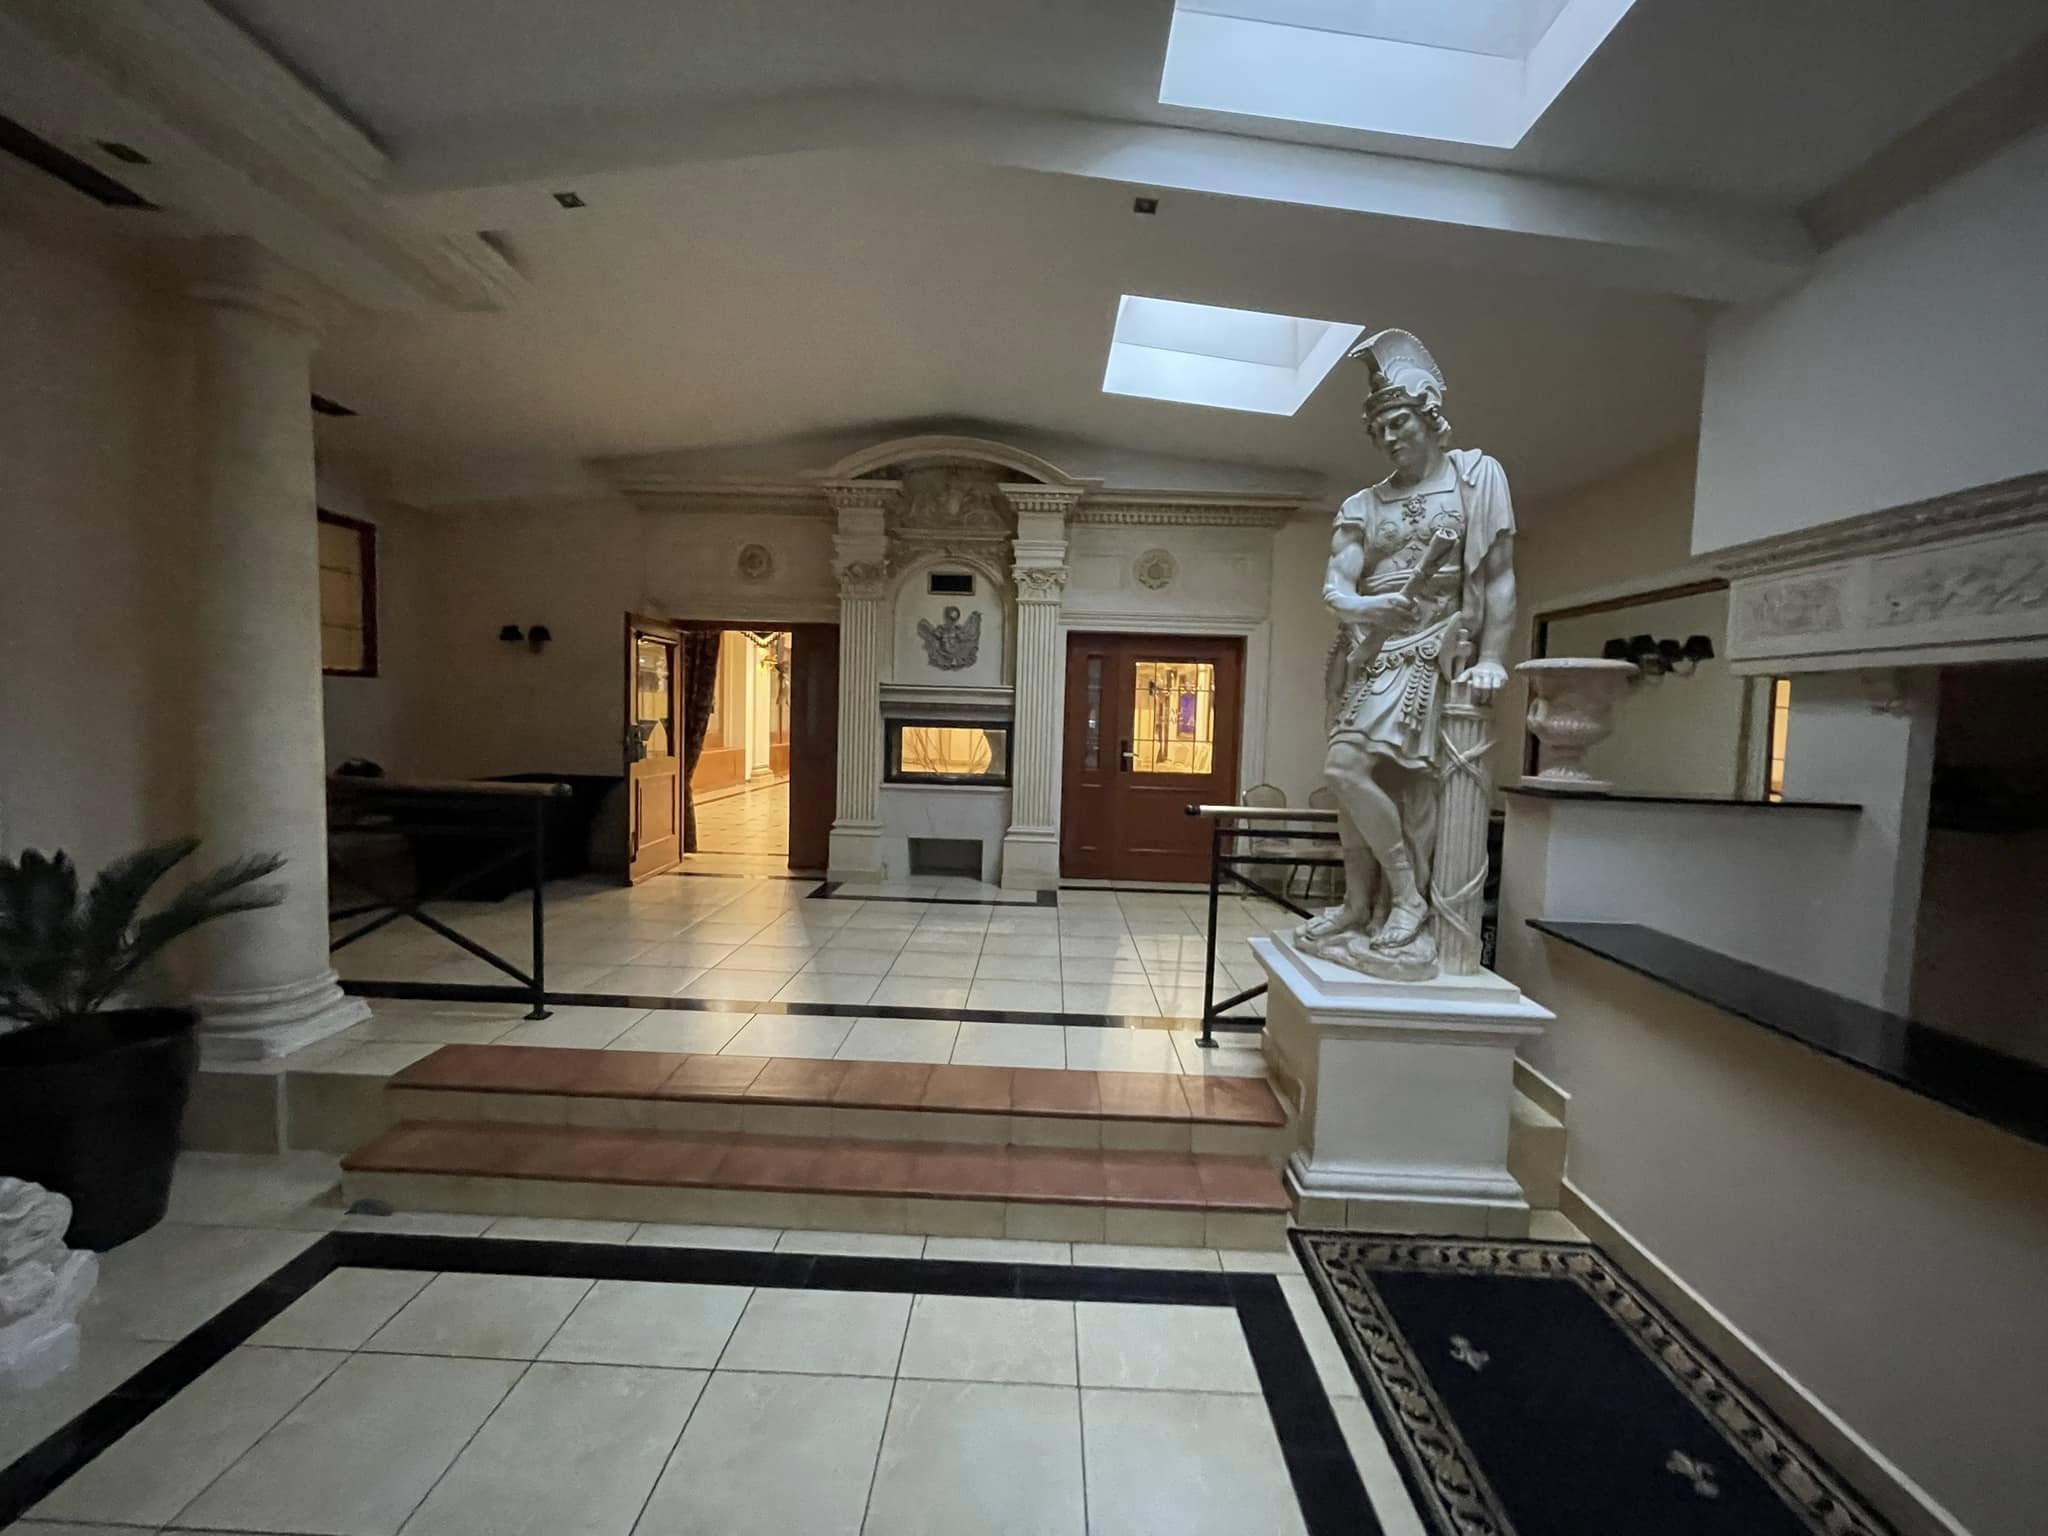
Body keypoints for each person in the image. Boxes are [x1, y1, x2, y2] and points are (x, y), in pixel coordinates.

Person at [1299, 329, 1517, 971]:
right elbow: (1336, 588)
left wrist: (1493, 657)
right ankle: (1358, 902)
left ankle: (1407, 899)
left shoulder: (1475, 481)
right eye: (1379, 430)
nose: (1389, 437)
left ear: (1429, 416)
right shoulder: (1363, 505)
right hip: (1371, 655)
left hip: (1434, 654)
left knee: (1362, 775)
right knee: (1347, 781)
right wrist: (1369, 609)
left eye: (1399, 423)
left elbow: (1497, 577)